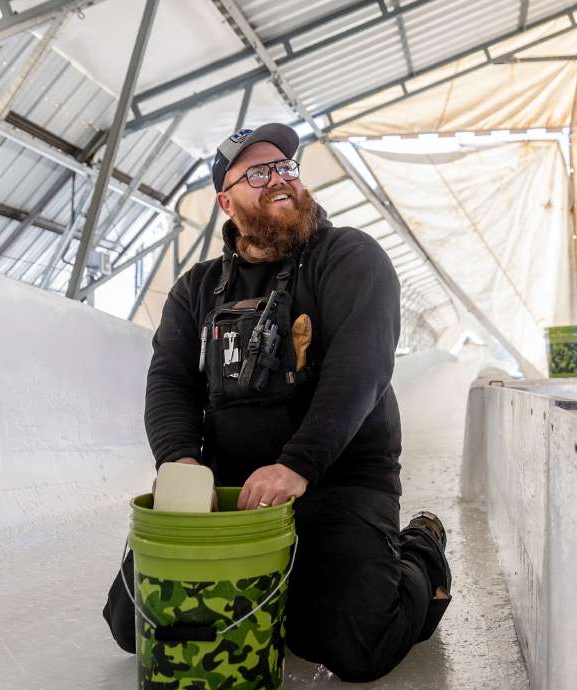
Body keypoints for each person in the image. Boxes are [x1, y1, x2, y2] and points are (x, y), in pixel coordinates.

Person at [103, 123, 452, 682]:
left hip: (336, 479)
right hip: (234, 487)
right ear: (225, 199)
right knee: (135, 623)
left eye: (286, 167)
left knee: (356, 645)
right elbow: (169, 379)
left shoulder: (349, 257)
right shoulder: (196, 289)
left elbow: (360, 370)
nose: (280, 179)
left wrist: (297, 465)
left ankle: (422, 546)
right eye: (258, 172)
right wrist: (179, 460)